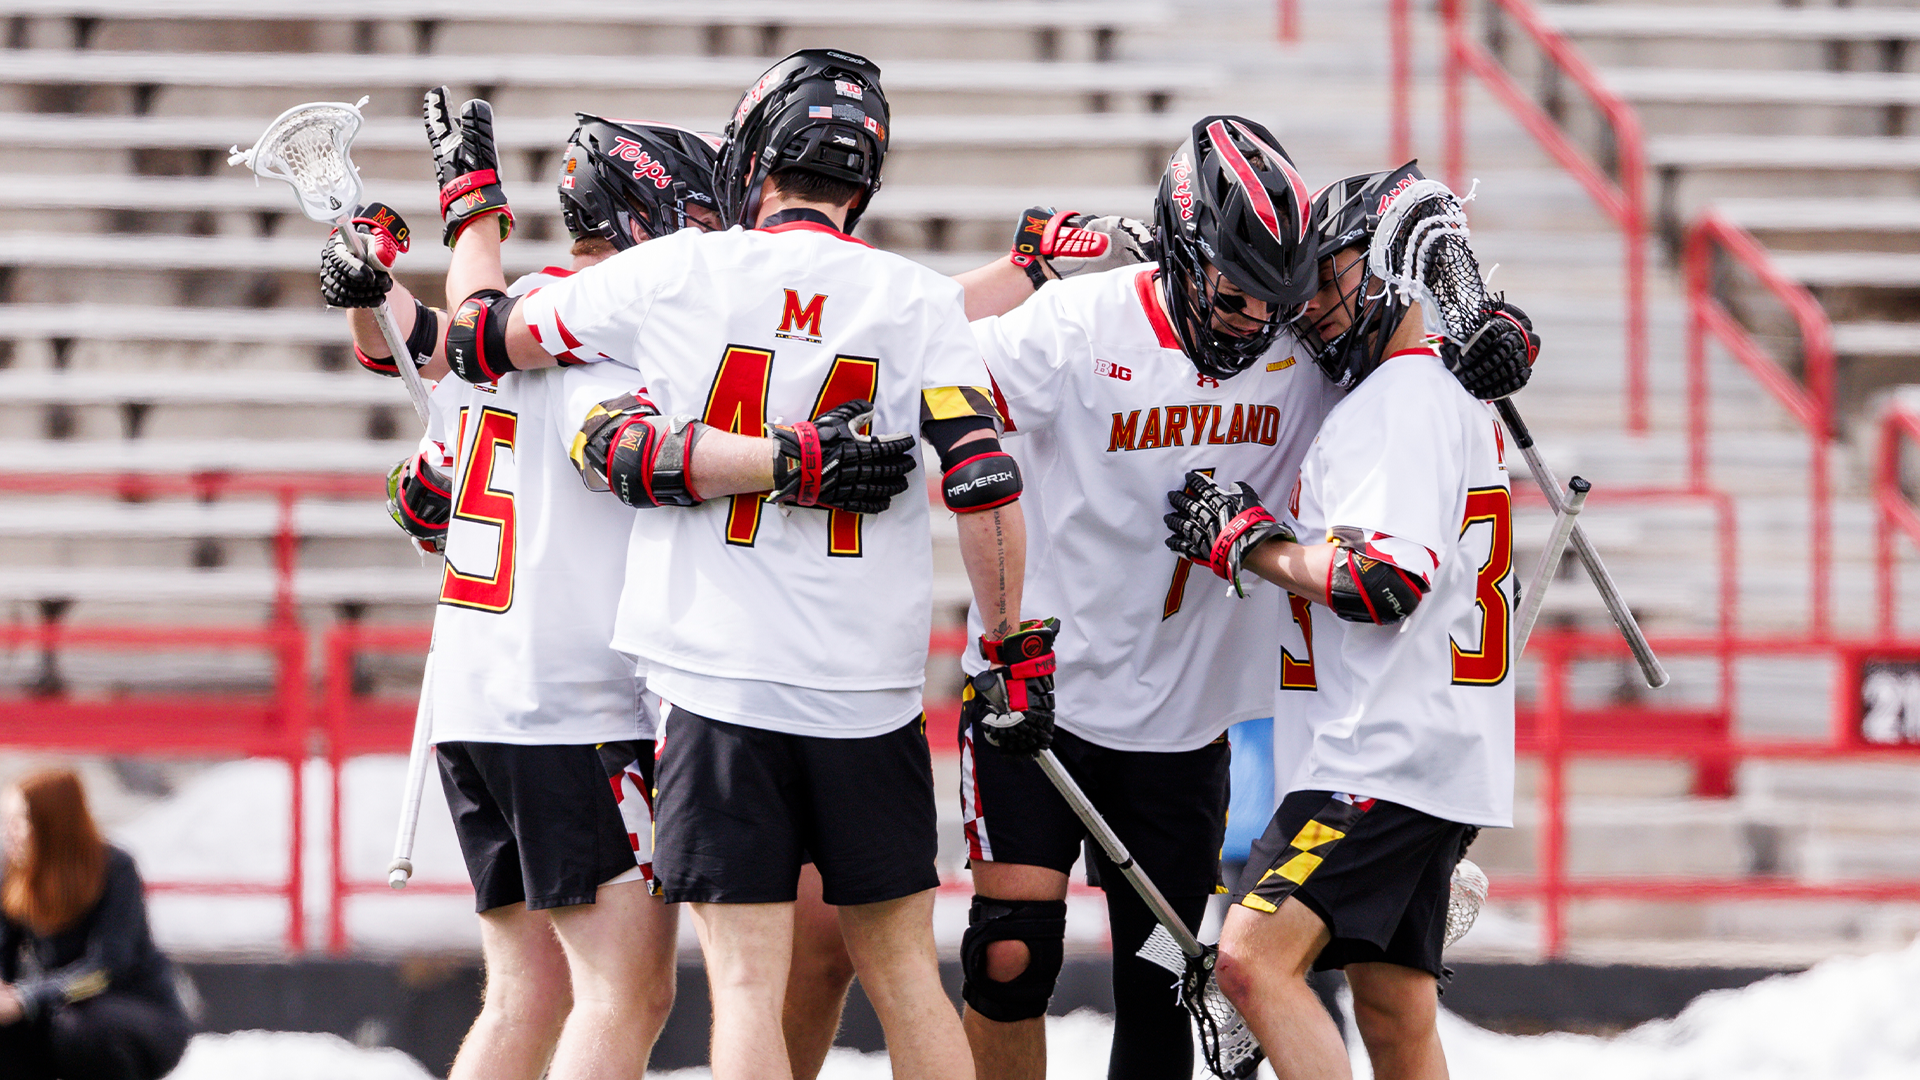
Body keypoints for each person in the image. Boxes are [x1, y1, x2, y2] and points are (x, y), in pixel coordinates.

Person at [439, 48, 1041, 1080]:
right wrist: (1007, 645)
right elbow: (984, 484)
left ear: (755, 157)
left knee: (747, 992)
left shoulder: (674, 272)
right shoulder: (914, 300)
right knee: (904, 975)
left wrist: (473, 217)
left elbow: (482, 341)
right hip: (869, 688)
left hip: (717, 682)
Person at [322, 111, 777, 1080]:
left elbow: (422, 494)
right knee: (628, 992)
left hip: (474, 699)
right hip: (571, 706)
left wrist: (374, 288)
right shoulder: (612, 325)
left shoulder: (509, 317)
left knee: (529, 992)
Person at [956, 115, 1339, 1080]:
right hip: (1037, 688)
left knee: (1166, 984)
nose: (1254, 320)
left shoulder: (1304, 357)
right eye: (1234, 290)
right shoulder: (1082, 322)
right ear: (1177, 249)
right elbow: (940, 383)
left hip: (1183, 714)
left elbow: (1410, 364)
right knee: (1009, 954)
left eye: (1273, 298)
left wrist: (1479, 337)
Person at [1165, 164, 1528, 1080]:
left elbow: (1385, 579)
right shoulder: (1446, 389)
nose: (1317, 305)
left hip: (1378, 754)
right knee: (1395, 1010)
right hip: (1436, 746)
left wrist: (1249, 545)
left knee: (1250, 964)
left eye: (1336, 275)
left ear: (1394, 266)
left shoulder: (1394, 403)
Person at [0, 769, 193, 1080]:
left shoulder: (114, 868)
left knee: (78, 1029)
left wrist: (26, 998)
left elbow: (105, 970)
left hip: (134, 1016)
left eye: (19, 821)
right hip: (59, 1009)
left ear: (53, 823)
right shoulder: (13, 872)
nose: (8, 832)